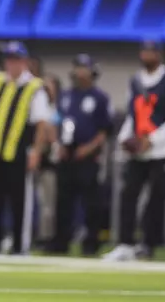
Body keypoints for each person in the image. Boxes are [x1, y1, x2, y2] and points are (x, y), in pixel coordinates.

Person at [0, 41, 52, 254]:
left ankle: (20, 244)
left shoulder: (35, 87)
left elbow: (41, 123)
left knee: (19, 201)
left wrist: (36, 151)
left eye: (16, 60)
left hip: (18, 152)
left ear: (25, 62)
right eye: (9, 60)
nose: (12, 65)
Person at [103, 41, 165, 261]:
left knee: (156, 198)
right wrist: (125, 138)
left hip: (161, 150)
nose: (147, 55)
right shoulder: (136, 81)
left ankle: (148, 244)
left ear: (159, 54)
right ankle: (125, 243)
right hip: (137, 149)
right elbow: (133, 113)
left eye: (151, 51)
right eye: (144, 51)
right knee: (128, 194)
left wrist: (153, 139)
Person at [52, 54, 112, 255]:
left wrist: (89, 148)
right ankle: (61, 242)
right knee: (63, 202)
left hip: (88, 155)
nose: (79, 72)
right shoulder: (67, 95)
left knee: (91, 203)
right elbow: (58, 120)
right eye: (77, 67)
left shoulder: (99, 97)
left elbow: (104, 130)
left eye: (83, 67)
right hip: (67, 153)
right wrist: (59, 144)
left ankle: (91, 243)